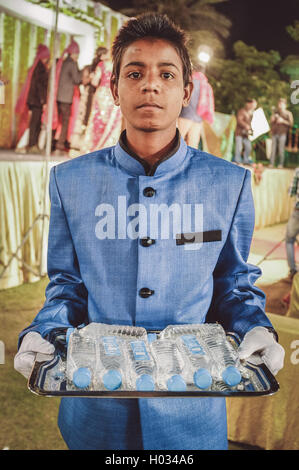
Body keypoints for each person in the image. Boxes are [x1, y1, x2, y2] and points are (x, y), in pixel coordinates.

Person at [14, 13, 285, 451]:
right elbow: (66, 286)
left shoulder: (227, 183)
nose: (151, 85)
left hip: (191, 417)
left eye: (166, 74)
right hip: (96, 411)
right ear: (114, 88)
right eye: (135, 73)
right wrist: (43, 332)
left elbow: (233, 284)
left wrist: (256, 327)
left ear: (186, 92)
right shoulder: (71, 180)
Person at [81, 49, 122, 153]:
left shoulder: (102, 65)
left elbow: (95, 82)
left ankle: (93, 147)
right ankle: (107, 146)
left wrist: (92, 77)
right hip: (113, 94)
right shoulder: (119, 65)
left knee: (97, 120)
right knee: (111, 122)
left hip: (102, 94)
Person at [15, 44, 50, 154]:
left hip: (34, 100)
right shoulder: (40, 67)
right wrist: (43, 101)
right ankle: (32, 145)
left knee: (34, 123)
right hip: (37, 101)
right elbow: (39, 86)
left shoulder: (36, 65)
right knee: (35, 123)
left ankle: (32, 144)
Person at [54, 40, 82, 154]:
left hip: (59, 96)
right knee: (65, 121)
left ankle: (53, 143)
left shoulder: (64, 62)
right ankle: (59, 146)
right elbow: (77, 80)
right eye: (77, 54)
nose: (77, 56)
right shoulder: (72, 64)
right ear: (73, 54)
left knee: (58, 121)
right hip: (66, 97)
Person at [178, 64, 214, 149]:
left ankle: (172, 161)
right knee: (193, 144)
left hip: (186, 115)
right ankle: (190, 162)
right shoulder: (207, 86)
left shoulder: (190, 82)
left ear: (194, 71)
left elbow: (184, 98)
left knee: (177, 140)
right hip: (198, 118)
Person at [269, 98, 294, 168]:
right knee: (273, 149)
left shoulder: (288, 113)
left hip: (283, 134)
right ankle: (271, 163)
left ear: (285, 105)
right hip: (274, 133)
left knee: (281, 149)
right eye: (279, 104)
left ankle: (281, 164)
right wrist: (273, 119)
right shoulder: (275, 112)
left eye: (282, 104)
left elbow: (291, 123)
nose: (280, 105)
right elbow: (271, 122)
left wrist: (283, 121)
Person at [285, 167, 299, 282]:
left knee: (289, 240)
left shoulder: (298, 170)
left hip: (297, 212)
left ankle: (293, 271)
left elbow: (291, 192)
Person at [234, 98, 257, 165]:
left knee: (248, 147)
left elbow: (252, 124)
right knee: (239, 147)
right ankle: (237, 160)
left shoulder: (251, 114)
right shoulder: (242, 111)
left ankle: (246, 160)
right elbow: (239, 120)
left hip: (246, 134)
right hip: (239, 133)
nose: (253, 107)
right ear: (248, 104)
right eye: (252, 105)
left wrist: (252, 129)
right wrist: (246, 126)